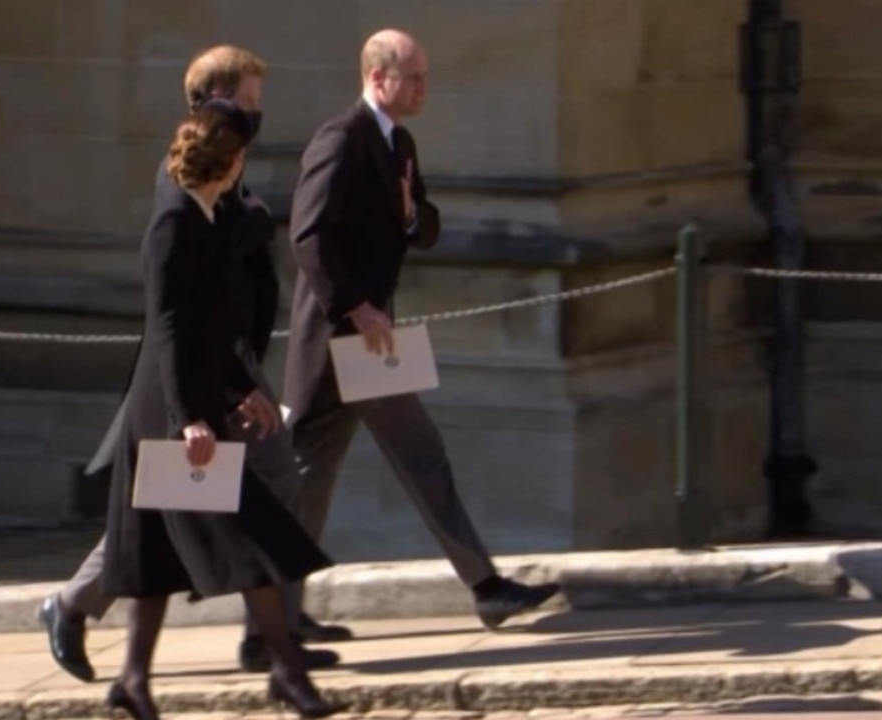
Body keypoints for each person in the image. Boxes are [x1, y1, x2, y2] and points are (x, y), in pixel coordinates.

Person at [38, 46, 348, 683]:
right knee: (189, 500)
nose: (258, 118)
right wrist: (213, 398)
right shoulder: (185, 173)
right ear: (213, 102)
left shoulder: (226, 164)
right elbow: (182, 301)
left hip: (227, 360)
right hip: (197, 370)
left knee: (210, 493)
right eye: (249, 103)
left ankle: (262, 637)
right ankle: (261, 641)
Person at [282, 28, 561, 630]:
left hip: (370, 337)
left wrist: (411, 215)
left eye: (425, 76)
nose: (424, 87)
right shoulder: (341, 139)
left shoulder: (398, 143)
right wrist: (356, 306)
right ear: (377, 79)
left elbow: (425, 226)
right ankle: (484, 587)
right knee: (405, 457)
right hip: (343, 336)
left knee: (317, 473)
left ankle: (274, 621)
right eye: (413, 77)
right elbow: (308, 236)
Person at [100, 101, 345, 720]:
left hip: (193, 406)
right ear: (230, 162)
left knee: (156, 557)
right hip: (168, 417)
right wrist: (191, 418)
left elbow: (213, 326)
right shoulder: (174, 222)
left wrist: (244, 388)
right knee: (253, 536)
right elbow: (170, 329)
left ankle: (133, 681)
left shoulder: (204, 217)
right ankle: (288, 672)